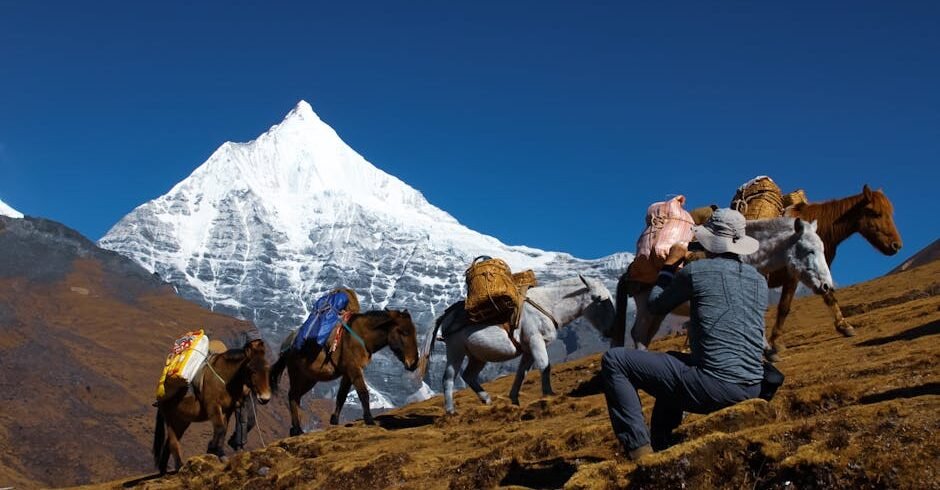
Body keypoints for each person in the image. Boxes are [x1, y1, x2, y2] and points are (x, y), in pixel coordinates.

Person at [601, 208, 767, 459]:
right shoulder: (758, 280)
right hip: (754, 386)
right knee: (672, 362)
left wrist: (668, 266)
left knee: (615, 361)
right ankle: (662, 441)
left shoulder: (697, 272)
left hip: (715, 387)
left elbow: (655, 305)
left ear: (708, 241)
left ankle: (640, 455)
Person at [228, 328, 264, 452]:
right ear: (249, 344)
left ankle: (234, 439)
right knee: (242, 419)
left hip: (251, 393)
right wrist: (242, 386)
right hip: (239, 393)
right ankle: (240, 446)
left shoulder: (258, 358)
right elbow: (233, 375)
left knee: (251, 421)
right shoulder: (241, 358)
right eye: (256, 342)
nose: (258, 345)